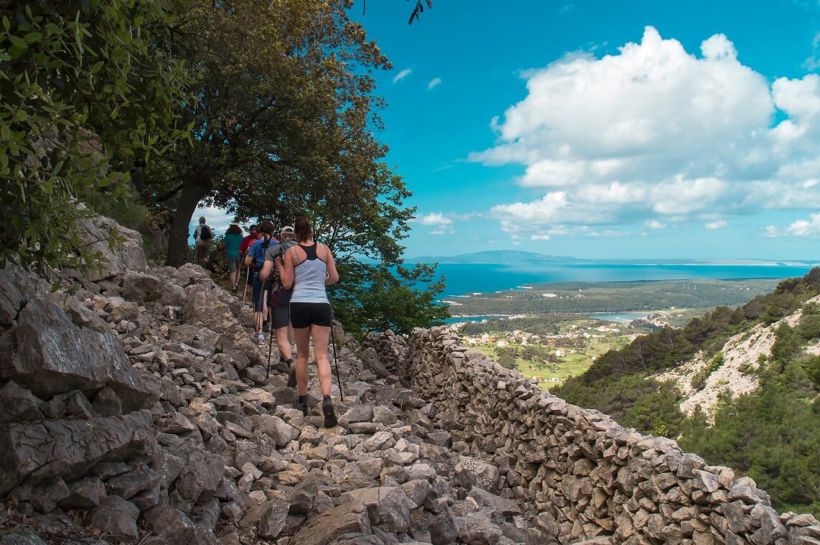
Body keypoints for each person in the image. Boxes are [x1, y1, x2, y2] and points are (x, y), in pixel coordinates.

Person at [280, 215, 340, 428]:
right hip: (321, 304)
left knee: (303, 355)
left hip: (299, 304)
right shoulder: (324, 250)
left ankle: (303, 400)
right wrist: (321, 280)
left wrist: (281, 269)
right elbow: (334, 278)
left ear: (296, 233)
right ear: (312, 231)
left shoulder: (291, 252)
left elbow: (287, 284)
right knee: (322, 356)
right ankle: (327, 400)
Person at [260, 225, 298, 385]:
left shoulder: (274, 250)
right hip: (300, 293)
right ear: (294, 236)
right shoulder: (303, 251)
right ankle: (287, 356)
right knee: (290, 323)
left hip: (280, 292)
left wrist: (262, 277)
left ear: (282, 236)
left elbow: (264, 273)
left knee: (280, 332)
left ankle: (289, 361)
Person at [245, 221, 277, 344]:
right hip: (272, 275)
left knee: (258, 302)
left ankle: (259, 333)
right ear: (272, 231)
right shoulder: (276, 244)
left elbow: (247, 262)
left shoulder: (255, 243)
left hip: (258, 274)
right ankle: (269, 325)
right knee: (267, 300)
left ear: (260, 231)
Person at [239, 224, 259, 302]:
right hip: (252, 263)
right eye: (253, 230)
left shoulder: (248, 239)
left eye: (255, 230)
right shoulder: (247, 239)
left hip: (253, 263)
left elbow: (240, 250)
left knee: (252, 282)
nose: (254, 231)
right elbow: (241, 250)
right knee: (251, 282)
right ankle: (252, 298)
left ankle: (252, 298)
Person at [224, 224, 243, 291]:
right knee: (238, 270)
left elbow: (224, 245)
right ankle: (236, 284)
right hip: (238, 255)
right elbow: (242, 246)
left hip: (230, 254)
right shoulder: (240, 237)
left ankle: (233, 286)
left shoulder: (227, 236)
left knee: (232, 271)